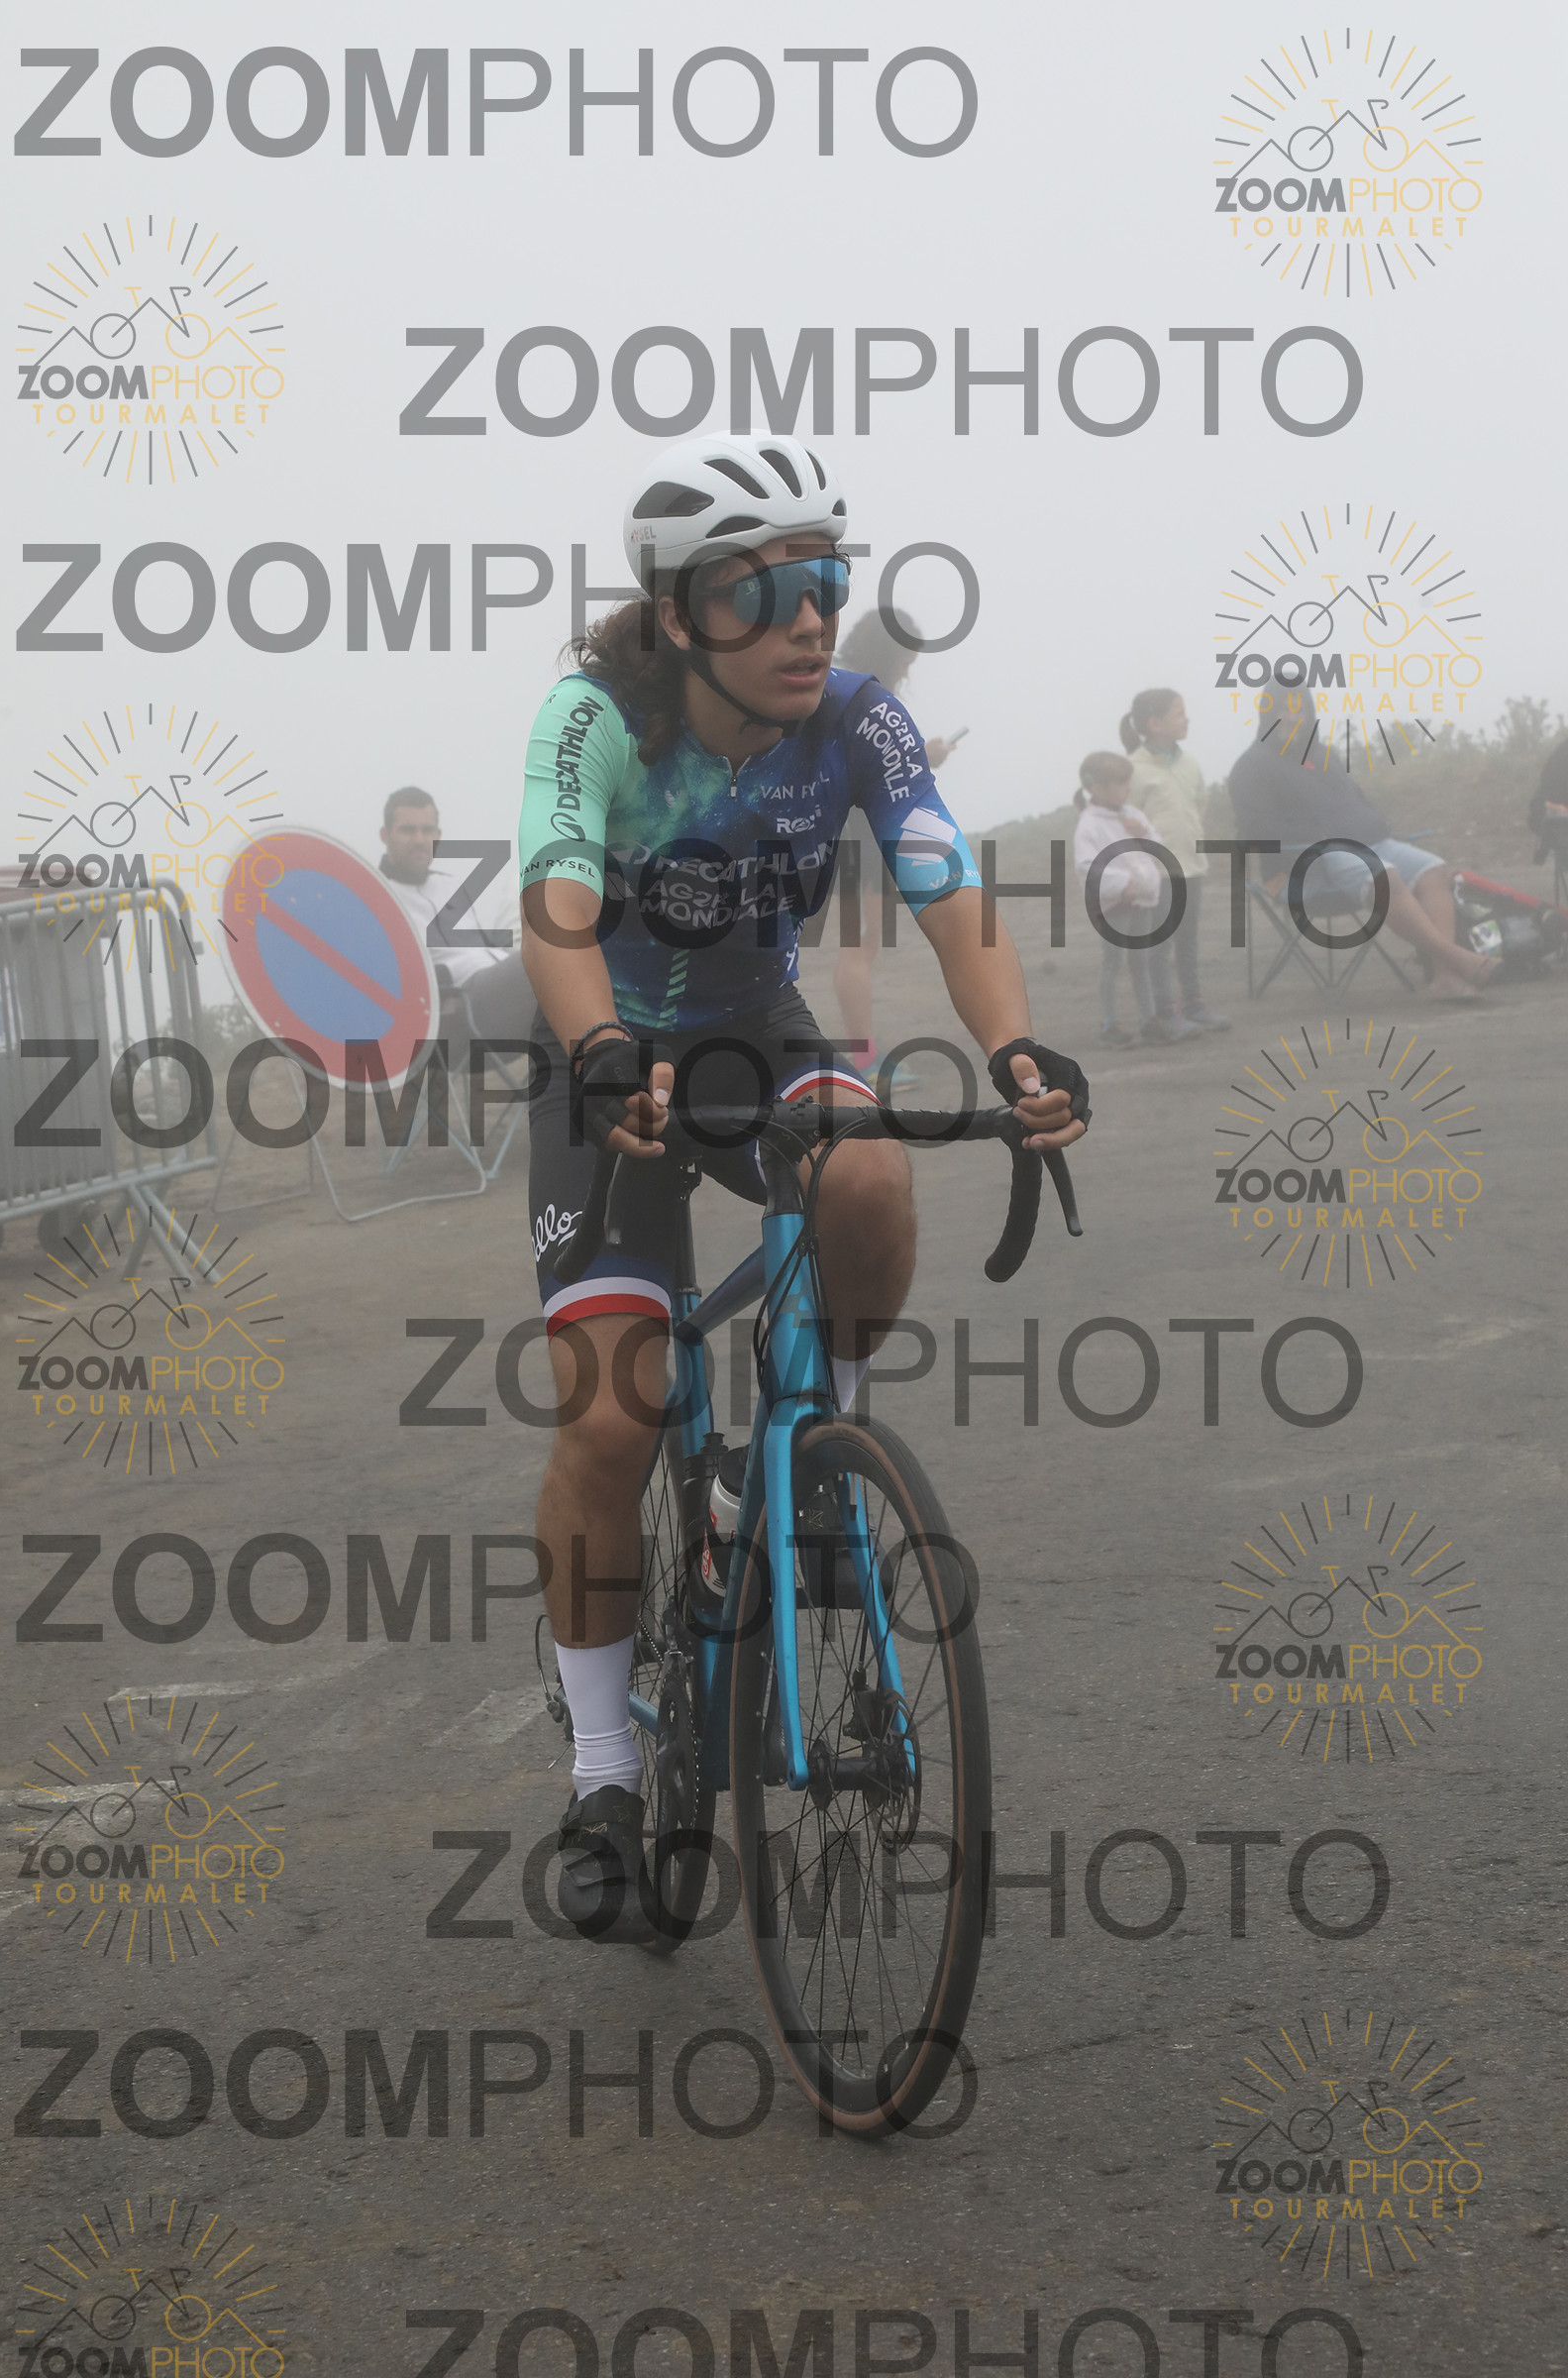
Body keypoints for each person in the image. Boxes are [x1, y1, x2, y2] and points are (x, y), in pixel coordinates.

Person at [515, 431, 1089, 1940]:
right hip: (606, 1053)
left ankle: (812, 1447)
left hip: (754, 1032)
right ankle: (602, 1769)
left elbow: (948, 886)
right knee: (612, 1415)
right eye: (763, 593)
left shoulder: (857, 720)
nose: (810, 620)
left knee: (871, 1175)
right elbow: (556, 909)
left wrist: (1017, 1050)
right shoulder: (597, 717)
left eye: (825, 582)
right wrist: (596, 1055)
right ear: (679, 613)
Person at [1227, 716, 1501, 997]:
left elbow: (1355, 801)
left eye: (1299, 709)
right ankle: (1458, 958)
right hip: (1299, 863)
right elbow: (1253, 830)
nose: (1291, 718)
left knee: (1433, 869)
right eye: (1282, 709)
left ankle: (1445, 976)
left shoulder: (1324, 756)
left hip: (1358, 844)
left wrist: (1373, 822)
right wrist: (1315, 834)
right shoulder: (1252, 766)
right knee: (1384, 876)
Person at [829, 608, 956, 1083]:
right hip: (856, 833)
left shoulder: (838, 682)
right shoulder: (856, 692)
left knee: (862, 945)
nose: (907, 669)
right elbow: (861, 764)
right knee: (859, 946)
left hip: (855, 831)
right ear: (888, 650)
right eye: (906, 658)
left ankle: (864, 1054)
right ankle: (863, 1059)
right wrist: (924, 755)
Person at [377, 786, 536, 1051]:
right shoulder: (378, 897)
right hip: (458, 1010)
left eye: (427, 830)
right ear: (385, 835)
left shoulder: (449, 886)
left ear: (438, 835)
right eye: (407, 830)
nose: (419, 839)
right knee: (550, 956)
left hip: (499, 983)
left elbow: (482, 947)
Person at [1120, 689, 1228, 1030]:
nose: (1187, 719)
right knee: (1159, 943)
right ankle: (1165, 1012)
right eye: (1179, 713)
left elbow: (1199, 804)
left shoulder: (1190, 764)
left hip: (1191, 865)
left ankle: (1194, 1005)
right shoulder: (1133, 769)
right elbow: (1126, 821)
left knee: (1187, 939)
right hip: (1157, 871)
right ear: (1154, 723)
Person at [1073, 754, 1167, 1047]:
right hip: (1114, 904)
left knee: (1141, 960)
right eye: (1120, 782)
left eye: (1127, 781)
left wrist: (1145, 833)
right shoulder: (1089, 825)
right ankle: (1110, 1025)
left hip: (1143, 899)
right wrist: (1122, 884)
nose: (1127, 787)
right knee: (1113, 961)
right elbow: (1087, 866)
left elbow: (1157, 849)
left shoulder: (1133, 816)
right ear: (1096, 787)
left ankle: (1149, 1020)